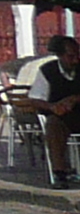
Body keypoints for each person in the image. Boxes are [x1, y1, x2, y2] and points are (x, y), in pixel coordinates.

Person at [27, 33, 80, 192]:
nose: (75, 60)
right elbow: (35, 98)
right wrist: (53, 107)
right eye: (70, 56)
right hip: (61, 116)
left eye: (77, 55)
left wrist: (75, 99)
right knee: (53, 126)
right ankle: (60, 173)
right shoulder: (47, 71)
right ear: (59, 56)